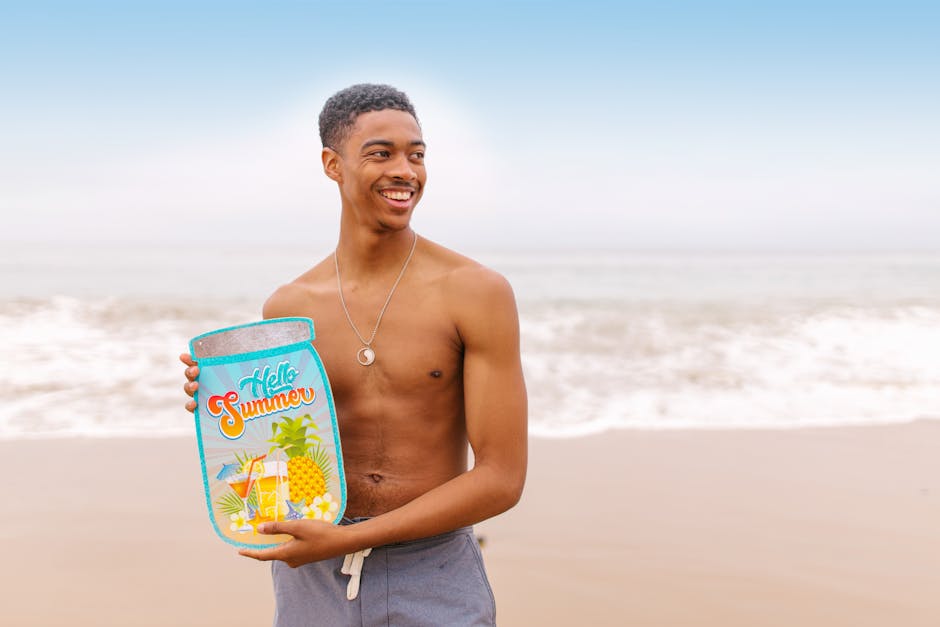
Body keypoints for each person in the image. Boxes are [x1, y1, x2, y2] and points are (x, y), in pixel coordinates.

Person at [180, 83, 527, 626]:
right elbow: (279, 453)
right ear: (332, 164)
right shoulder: (289, 309)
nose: (406, 171)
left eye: (417, 154)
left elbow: (502, 478)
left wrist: (355, 536)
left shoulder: (475, 292)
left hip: (434, 570)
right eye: (381, 153)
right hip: (313, 577)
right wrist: (224, 408)